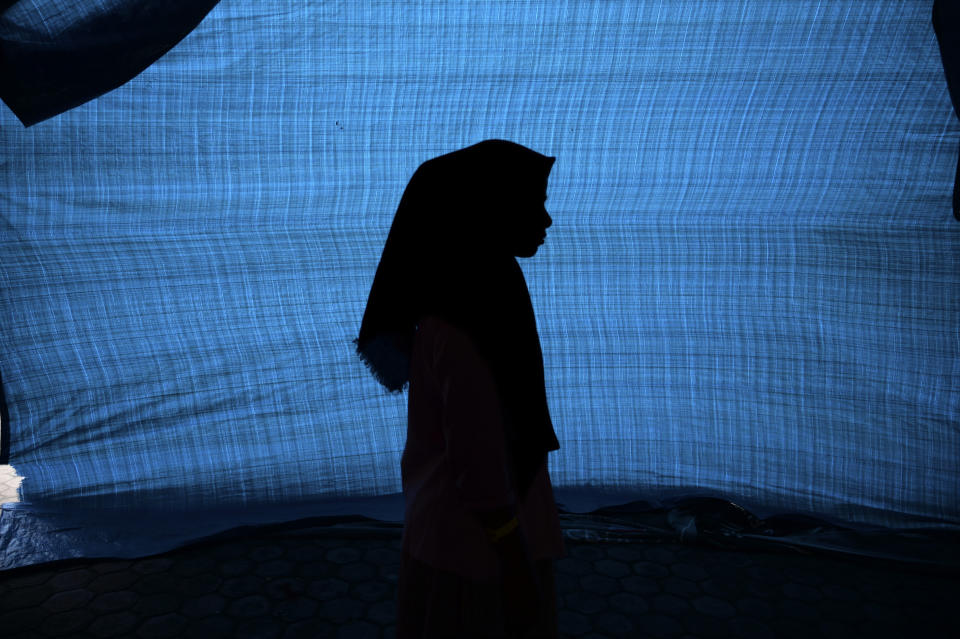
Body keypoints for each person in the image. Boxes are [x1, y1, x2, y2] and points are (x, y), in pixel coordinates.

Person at [353, 140, 565, 637]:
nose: (546, 219)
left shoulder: (479, 288)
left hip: (457, 537)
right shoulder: (471, 318)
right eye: (533, 202)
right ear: (488, 209)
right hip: (478, 557)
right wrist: (515, 563)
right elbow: (479, 462)